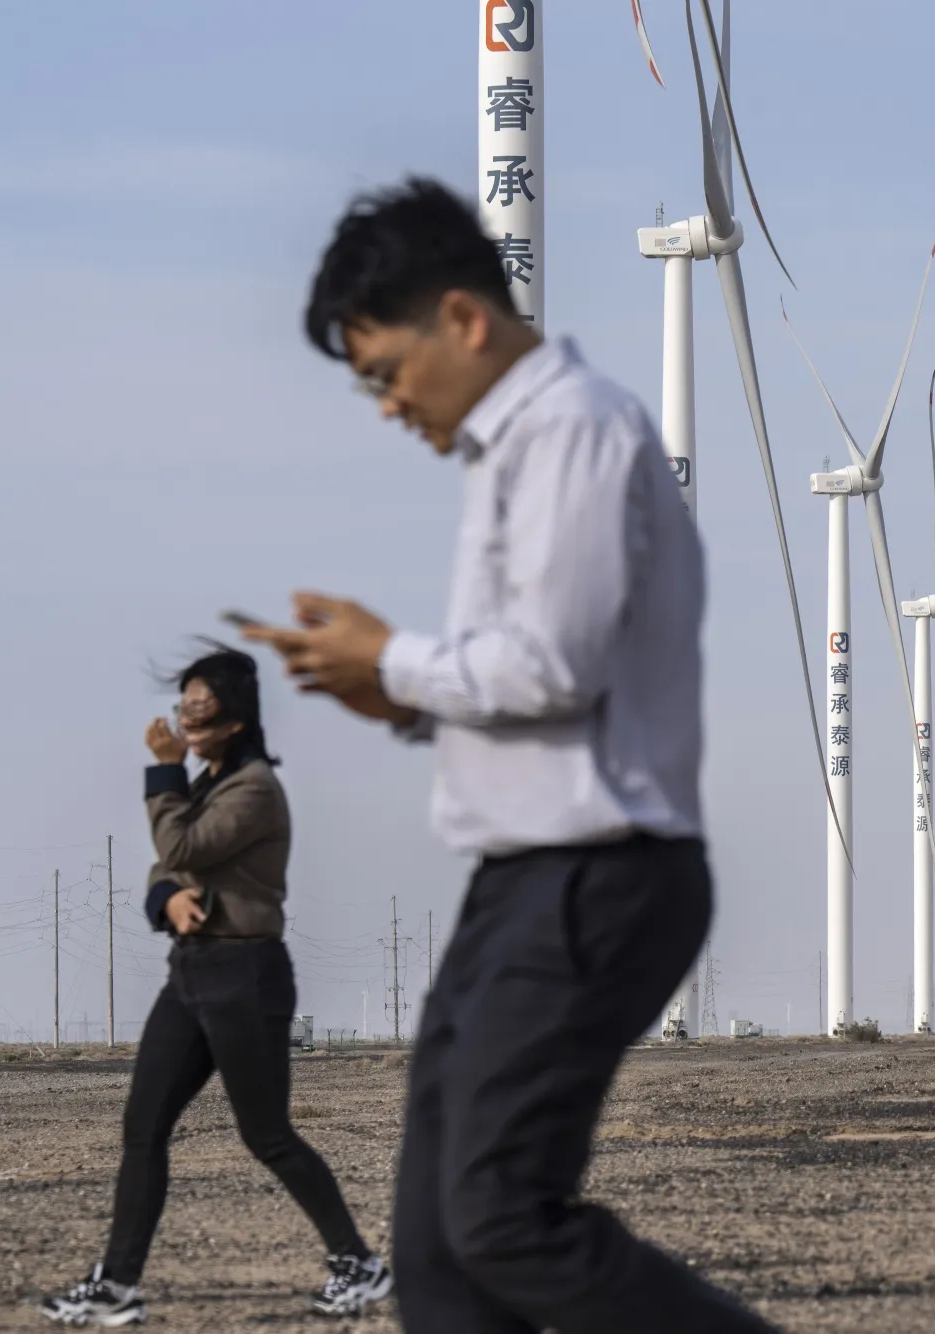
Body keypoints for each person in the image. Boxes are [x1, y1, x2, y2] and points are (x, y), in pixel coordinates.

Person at [245, 178, 777, 1333]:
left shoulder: (573, 428)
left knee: (497, 1213)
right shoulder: (518, 447)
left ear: (463, 318)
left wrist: (392, 661)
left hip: (598, 871)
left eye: (385, 372)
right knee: (438, 1250)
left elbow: (550, 664)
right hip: (524, 881)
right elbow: (536, 678)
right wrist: (386, 689)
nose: (388, 407)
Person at [40, 646, 391, 1327]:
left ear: (233, 720)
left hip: (245, 977)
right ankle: (117, 1285)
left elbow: (180, 849)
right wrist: (167, 901)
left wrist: (165, 770)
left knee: (267, 1136)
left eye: (199, 710)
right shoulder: (210, 785)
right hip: (191, 973)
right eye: (183, 707)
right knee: (143, 1128)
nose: (185, 720)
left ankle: (360, 1263)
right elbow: (165, 869)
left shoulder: (254, 788)